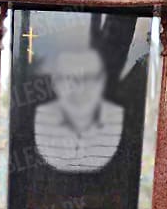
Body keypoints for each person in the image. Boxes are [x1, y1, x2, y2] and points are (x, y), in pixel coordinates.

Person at [34, 43, 123, 173]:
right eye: (69, 79)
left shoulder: (128, 121)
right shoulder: (30, 122)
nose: (80, 89)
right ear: (55, 82)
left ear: (102, 80)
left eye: (89, 78)